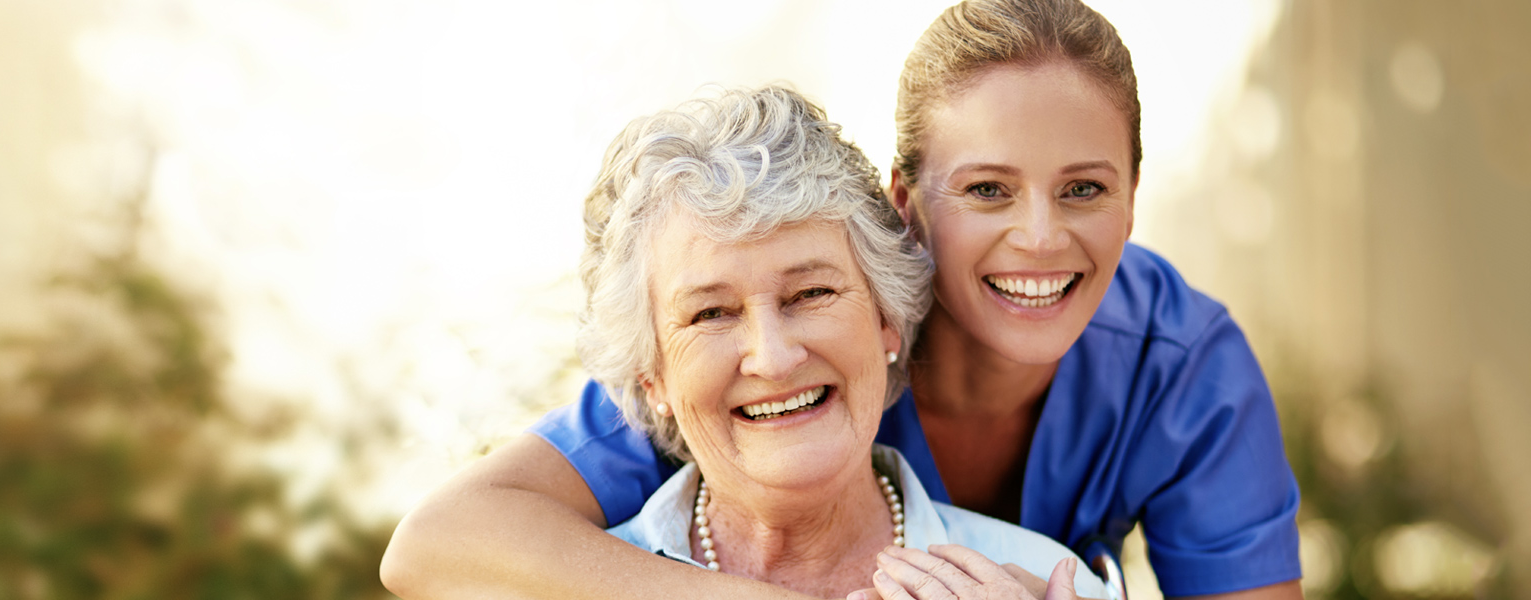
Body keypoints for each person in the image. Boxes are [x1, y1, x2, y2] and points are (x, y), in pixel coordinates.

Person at [380, 1, 1302, 598]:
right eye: (986, 189)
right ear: (907, 208)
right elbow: (443, 541)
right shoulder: (744, 350)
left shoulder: (1182, 369)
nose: (1039, 238)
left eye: (1085, 188)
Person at [571, 85, 1111, 599]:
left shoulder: (1050, 583)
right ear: (653, 376)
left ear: (886, 321)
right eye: (711, 313)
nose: (775, 358)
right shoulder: (553, 585)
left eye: (810, 293)